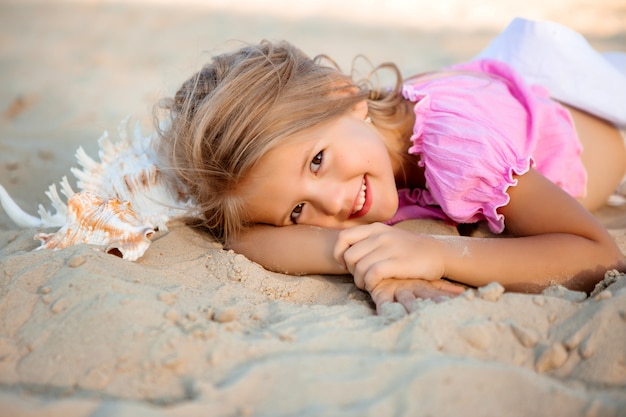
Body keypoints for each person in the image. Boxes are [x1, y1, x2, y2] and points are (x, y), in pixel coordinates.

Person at [156, 18, 626, 314]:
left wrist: (436, 256)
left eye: (317, 161)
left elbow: (598, 257)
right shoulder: (363, 145)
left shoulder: (457, 148)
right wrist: (366, 252)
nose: (335, 205)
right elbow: (245, 238)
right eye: (298, 212)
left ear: (343, 96)